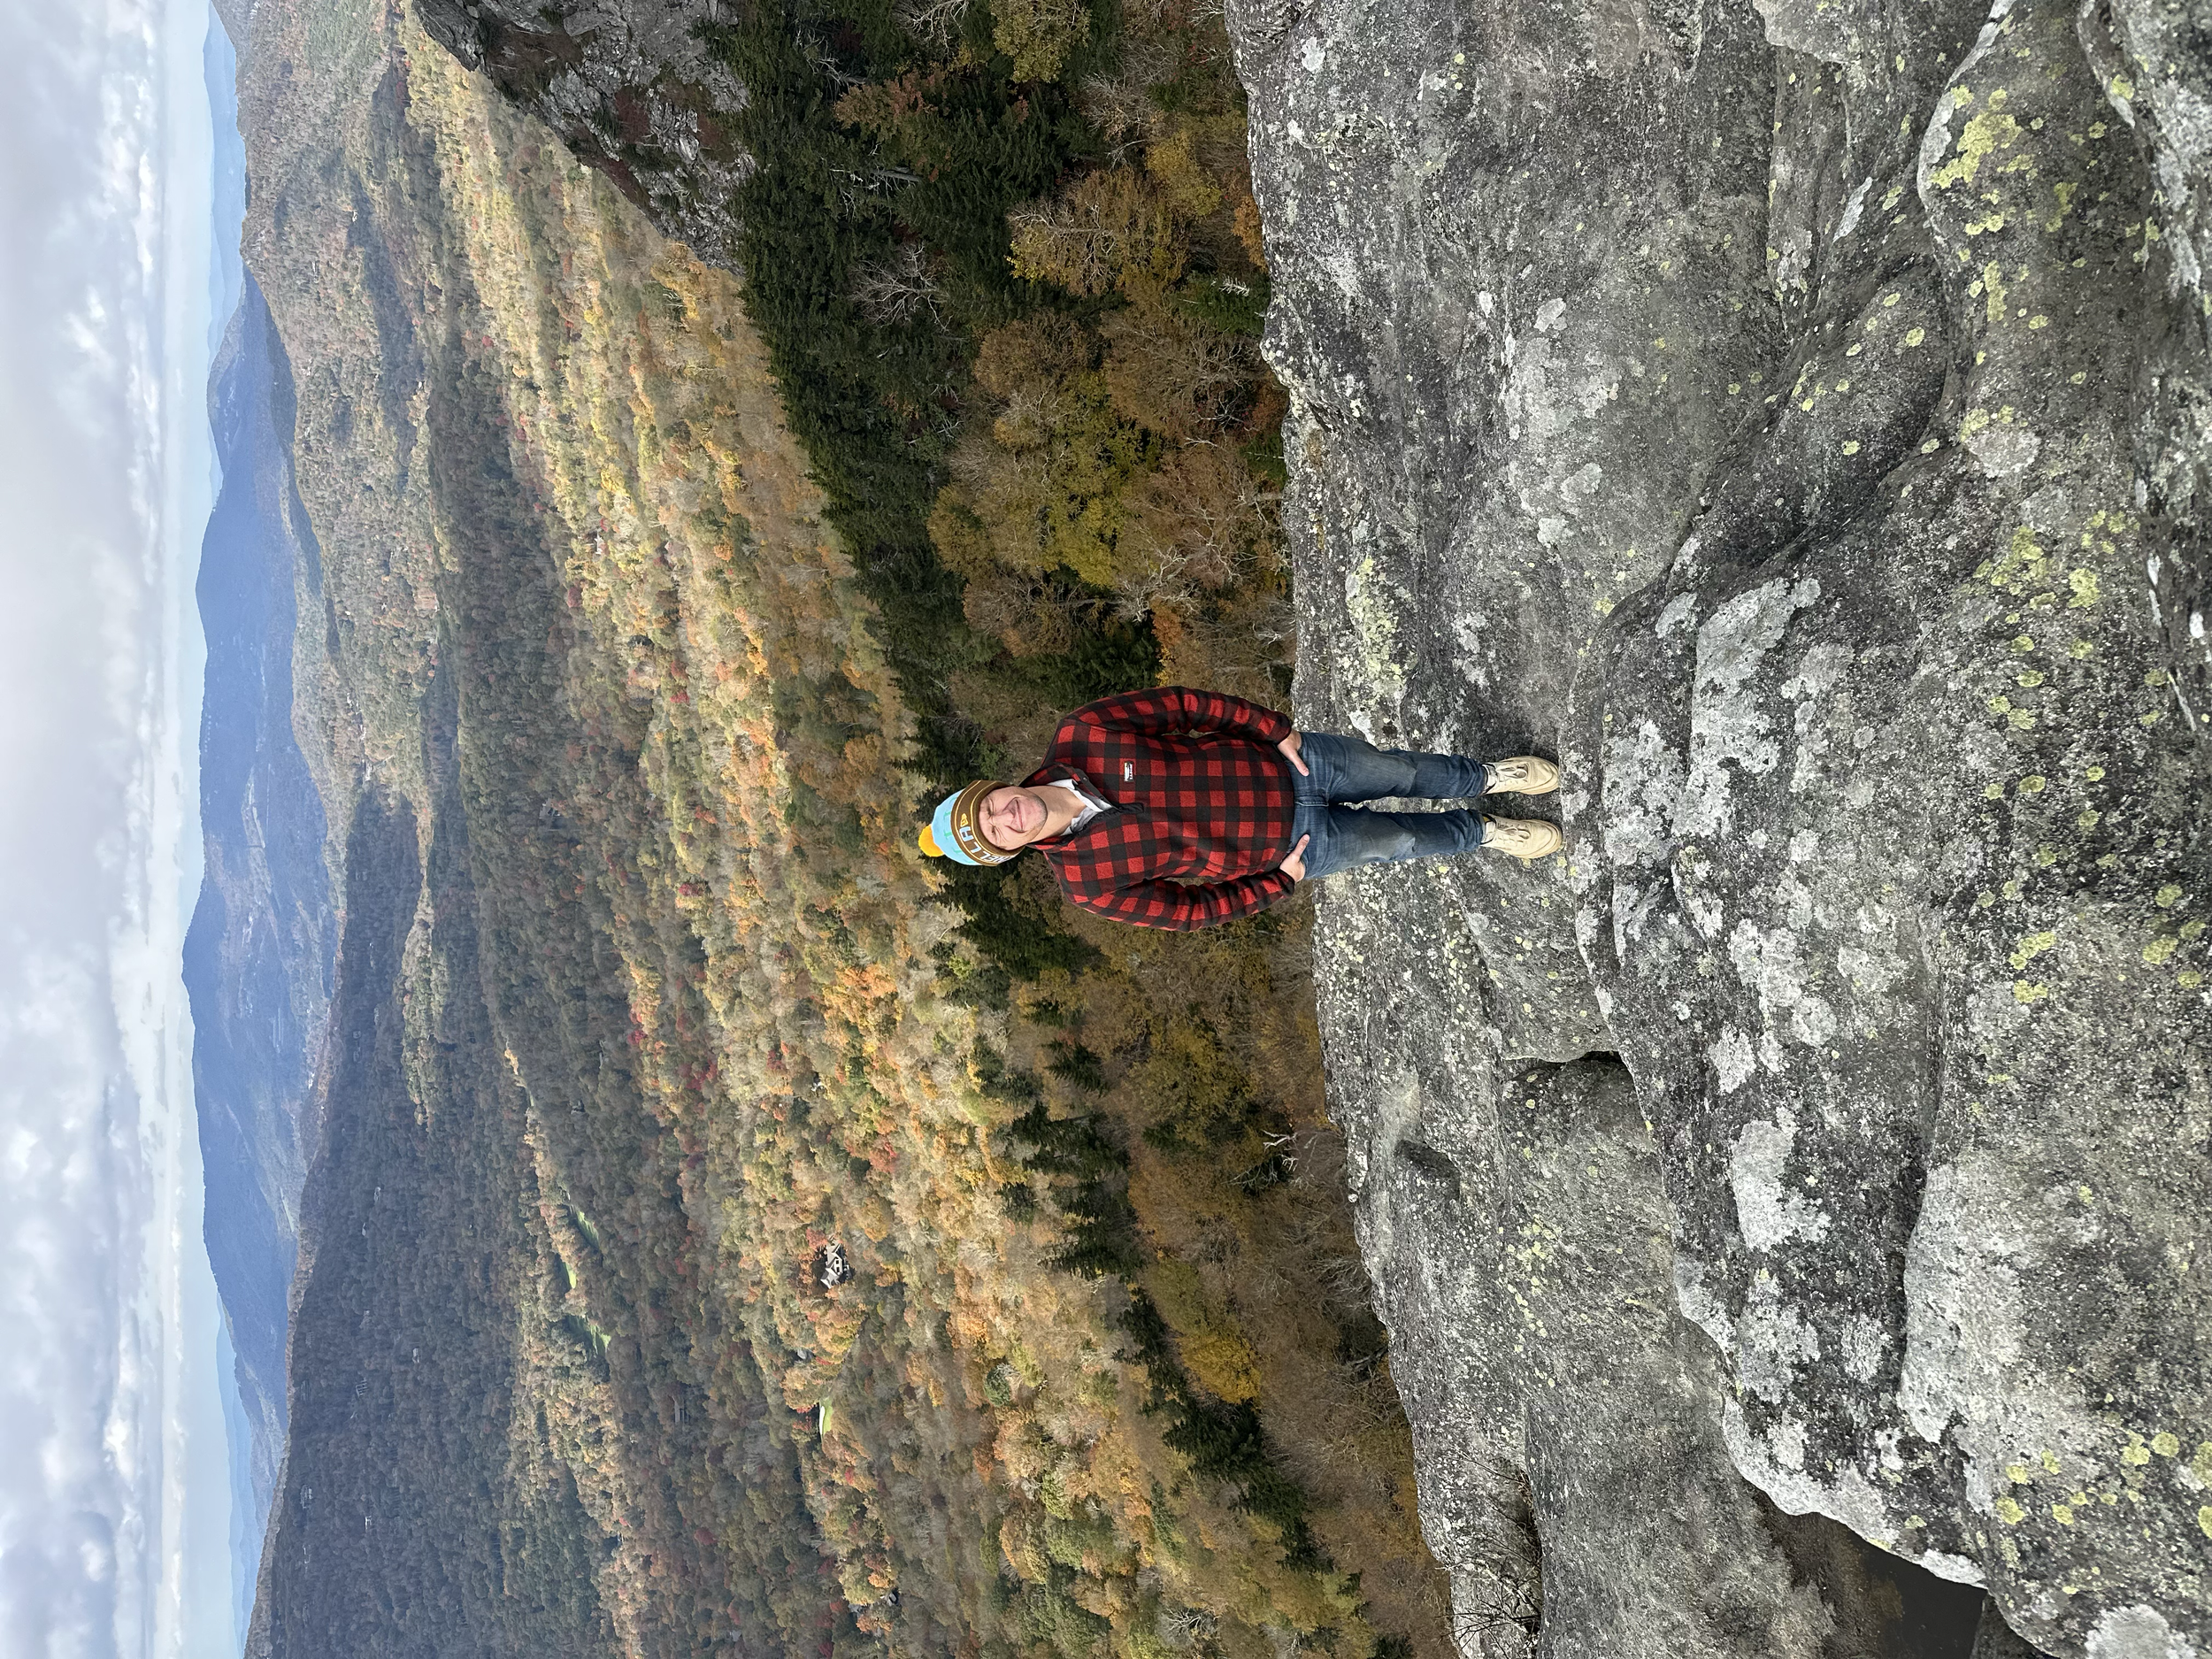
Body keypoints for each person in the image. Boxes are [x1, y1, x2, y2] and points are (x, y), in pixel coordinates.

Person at [917, 686, 1562, 932]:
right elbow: (1188, 911)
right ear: (1009, 850)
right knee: (1399, 841)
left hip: (1291, 762)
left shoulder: (1081, 734)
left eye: (991, 807)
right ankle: (1484, 831)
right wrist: (1277, 883)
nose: (1006, 816)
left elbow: (1183, 706)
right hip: (1292, 847)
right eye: (995, 833)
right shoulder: (1086, 881)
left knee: (1402, 769)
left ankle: (1486, 776)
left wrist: (1273, 729)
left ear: (994, 787)